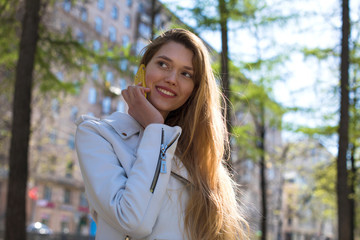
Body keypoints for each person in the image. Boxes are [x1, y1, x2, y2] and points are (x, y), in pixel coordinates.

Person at [75, 28, 249, 240]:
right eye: (163, 64)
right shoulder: (98, 135)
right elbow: (132, 221)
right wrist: (155, 129)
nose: (172, 79)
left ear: (194, 89)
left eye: (186, 74)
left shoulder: (201, 159)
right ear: (142, 69)